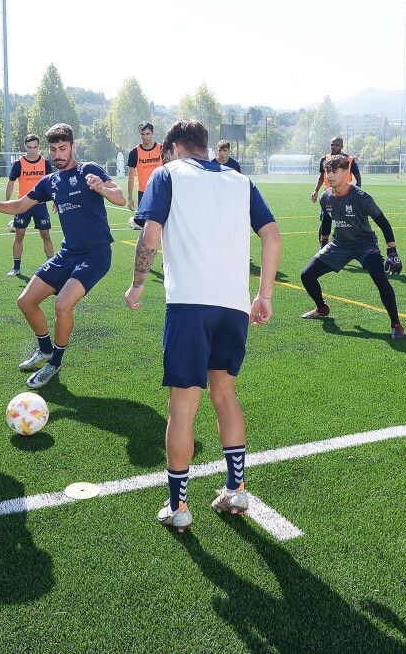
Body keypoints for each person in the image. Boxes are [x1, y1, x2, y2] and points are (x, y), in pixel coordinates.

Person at [124, 119, 282, 532]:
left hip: (189, 306)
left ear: (174, 146)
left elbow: (151, 236)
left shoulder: (166, 174)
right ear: (206, 146)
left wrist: (137, 284)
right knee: (225, 394)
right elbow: (272, 235)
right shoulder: (239, 181)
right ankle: (236, 488)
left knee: (182, 406)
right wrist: (264, 295)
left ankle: (178, 507)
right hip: (231, 307)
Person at [0, 123, 126, 389]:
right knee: (25, 301)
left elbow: (120, 198)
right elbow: (21, 204)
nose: (58, 154)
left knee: (63, 305)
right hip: (67, 253)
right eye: (53, 149)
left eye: (63, 148)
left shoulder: (89, 170)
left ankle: (55, 362)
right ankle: (45, 349)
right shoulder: (50, 181)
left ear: (73, 146)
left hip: (96, 254)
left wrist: (102, 189)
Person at [301, 154, 406, 340]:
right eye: (327, 171)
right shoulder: (325, 198)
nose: (330, 175)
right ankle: (322, 307)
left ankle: (396, 323)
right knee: (306, 275)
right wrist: (323, 246)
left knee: (380, 280)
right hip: (339, 244)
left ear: (345, 172)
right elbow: (326, 221)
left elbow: (383, 223)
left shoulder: (361, 197)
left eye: (334, 171)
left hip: (364, 244)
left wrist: (392, 251)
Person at [4, 134, 55, 276]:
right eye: (29, 147)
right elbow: (11, 182)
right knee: (19, 235)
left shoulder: (45, 163)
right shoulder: (19, 164)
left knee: (45, 235)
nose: (32, 151)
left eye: (35, 147)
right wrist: (8, 203)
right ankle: (16, 268)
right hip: (23, 204)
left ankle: (51, 266)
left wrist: (56, 200)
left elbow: (52, 183)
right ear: (24, 147)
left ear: (39, 147)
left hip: (40, 204)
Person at [311, 136, 361, 246]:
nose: (333, 147)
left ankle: (348, 245)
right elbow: (321, 176)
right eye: (332, 145)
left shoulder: (349, 160)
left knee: (346, 222)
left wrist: (356, 195)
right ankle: (323, 245)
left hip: (345, 195)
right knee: (325, 220)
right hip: (328, 195)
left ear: (342, 146)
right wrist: (316, 191)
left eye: (336, 145)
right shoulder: (325, 159)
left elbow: (358, 178)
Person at [126, 122, 163, 229]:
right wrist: (130, 198)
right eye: (143, 134)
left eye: (148, 134)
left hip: (160, 191)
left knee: (163, 223)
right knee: (145, 226)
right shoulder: (134, 152)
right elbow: (131, 176)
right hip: (144, 193)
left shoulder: (161, 149)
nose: (145, 137)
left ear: (152, 133)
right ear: (140, 135)